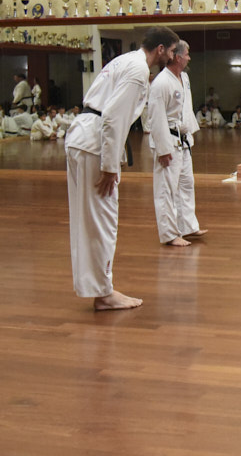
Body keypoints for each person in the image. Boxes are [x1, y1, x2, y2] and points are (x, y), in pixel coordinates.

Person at [65, 26, 179, 310]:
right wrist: (109, 166)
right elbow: (113, 119)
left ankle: (98, 288)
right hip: (94, 143)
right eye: (171, 51)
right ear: (160, 49)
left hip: (82, 137)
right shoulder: (138, 70)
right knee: (102, 219)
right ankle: (104, 293)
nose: (173, 57)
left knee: (88, 220)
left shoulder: (124, 60)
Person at [147, 39, 207, 247]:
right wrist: (163, 149)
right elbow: (156, 118)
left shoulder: (184, 78)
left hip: (183, 140)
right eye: (187, 54)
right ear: (178, 57)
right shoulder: (161, 83)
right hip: (168, 141)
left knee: (186, 184)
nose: (189, 58)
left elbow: (186, 109)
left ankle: (187, 226)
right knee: (166, 189)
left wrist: (190, 132)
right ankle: (170, 234)